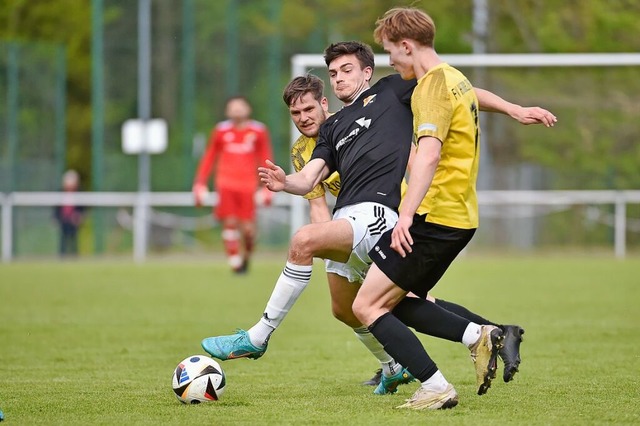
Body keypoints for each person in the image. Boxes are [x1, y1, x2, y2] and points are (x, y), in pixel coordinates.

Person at [202, 42, 554, 395]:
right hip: (348, 220)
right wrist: (285, 183)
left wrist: (513, 109)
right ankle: (478, 337)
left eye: (347, 70)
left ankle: (258, 337)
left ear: (367, 72)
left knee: (307, 244)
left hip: (380, 215)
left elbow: (456, 92)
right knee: (354, 308)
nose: (339, 78)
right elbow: (309, 180)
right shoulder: (330, 129)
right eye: (334, 73)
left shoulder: (392, 91)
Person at [351, 6, 517, 410]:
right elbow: (473, 98)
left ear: (407, 46)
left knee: (366, 305)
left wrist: (405, 215)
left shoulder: (429, 88)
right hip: (457, 215)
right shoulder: (453, 78)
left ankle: (436, 385)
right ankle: (479, 335)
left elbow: (427, 156)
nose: (389, 60)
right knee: (403, 300)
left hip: (433, 215)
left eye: (391, 50)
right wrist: (514, 109)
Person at [193, 96, 274, 274]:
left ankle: (246, 256)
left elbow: (266, 157)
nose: (237, 109)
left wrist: (267, 187)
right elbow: (209, 158)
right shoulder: (221, 131)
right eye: (233, 107)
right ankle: (234, 261)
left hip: (248, 185)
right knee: (229, 221)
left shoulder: (258, 131)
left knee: (248, 229)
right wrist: (200, 183)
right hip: (225, 183)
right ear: (227, 111)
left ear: (248, 109)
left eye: (240, 106)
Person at [53, 169, 85, 257]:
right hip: (63, 219)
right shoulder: (60, 192)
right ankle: (61, 256)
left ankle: (74, 255)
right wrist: (55, 217)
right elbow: (56, 208)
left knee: (73, 239)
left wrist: (79, 216)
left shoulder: (79, 193)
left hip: (73, 220)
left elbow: (82, 208)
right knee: (63, 239)